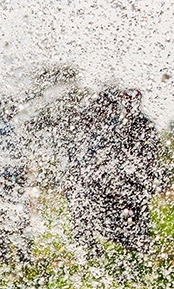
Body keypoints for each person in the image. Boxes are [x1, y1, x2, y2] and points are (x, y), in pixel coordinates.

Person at [65, 87, 160, 255]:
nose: (129, 104)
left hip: (135, 181)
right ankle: (97, 250)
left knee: (136, 216)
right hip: (112, 182)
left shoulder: (143, 125)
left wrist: (143, 175)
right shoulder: (115, 126)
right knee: (104, 217)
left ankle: (140, 249)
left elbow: (150, 155)